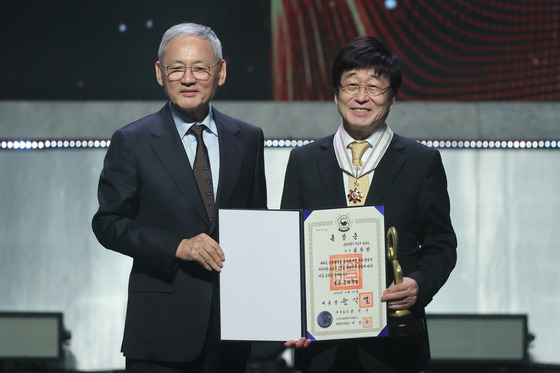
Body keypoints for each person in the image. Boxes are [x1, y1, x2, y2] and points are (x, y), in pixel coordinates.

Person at [92, 22, 267, 373]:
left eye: (200, 68)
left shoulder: (248, 139)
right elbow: (108, 224)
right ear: (160, 73)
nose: (188, 79)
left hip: (230, 332)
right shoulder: (133, 140)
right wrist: (178, 247)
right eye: (176, 68)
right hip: (159, 333)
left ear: (221, 72)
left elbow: (258, 226)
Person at [281, 36, 457, 372]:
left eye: (375, 87)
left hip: (396, 347)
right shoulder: (303, 161)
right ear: (336, 94)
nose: (361, 97)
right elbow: (289, 249)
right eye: (351, 85)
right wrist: (293, 315)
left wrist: (418, 284)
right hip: (321, 347)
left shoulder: (422, 162)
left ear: (391, 100)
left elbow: (441, 245)